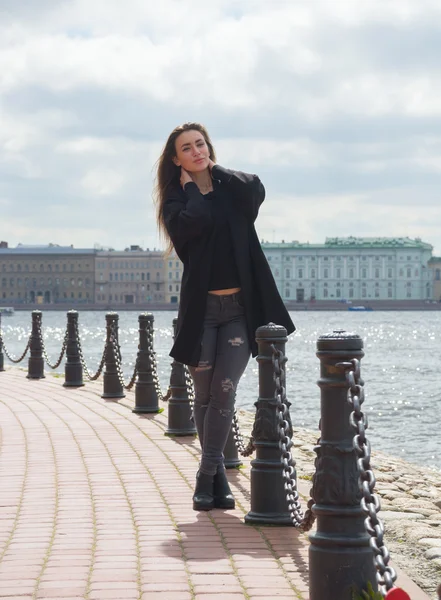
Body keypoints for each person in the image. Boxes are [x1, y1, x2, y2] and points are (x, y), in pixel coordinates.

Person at [154, 122, 295, 511]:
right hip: (201, 313)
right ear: (176, 159)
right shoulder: (175, 204)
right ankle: (216, 480)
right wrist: (189, 187)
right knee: (204, 396)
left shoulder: (233, 192)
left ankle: (205, 474)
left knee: (224, 391)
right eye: (188, 148)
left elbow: (255, 187)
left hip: (238, 311)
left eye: (201, 144)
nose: (197, 151)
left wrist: (214, 171)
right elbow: (193, 223)